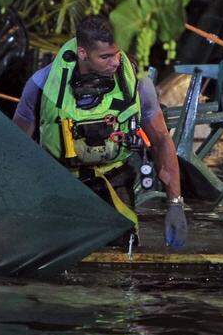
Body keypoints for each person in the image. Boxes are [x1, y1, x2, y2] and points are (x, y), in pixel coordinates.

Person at [13, 15, 188, 249]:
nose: (115, 62)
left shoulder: (137, 82)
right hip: (58, 182)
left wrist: (175, 204)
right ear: (83, 53)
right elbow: (15, 148)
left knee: (123, 249)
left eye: (117, 53)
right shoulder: (42, 84)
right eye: (105, 56)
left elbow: (161, 139)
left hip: (113, 179)